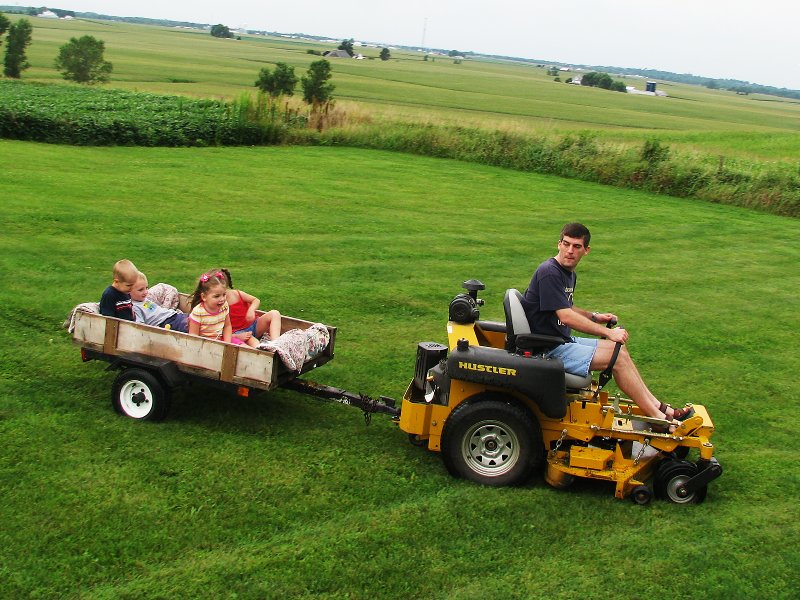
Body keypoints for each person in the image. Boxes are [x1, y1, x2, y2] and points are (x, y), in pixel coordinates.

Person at [521, 222, 693, 430]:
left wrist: (595, 317)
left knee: (619, 351)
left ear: (586, 250)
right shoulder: (550, 272)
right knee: (617, 358)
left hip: (559, 341)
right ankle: (658, 418)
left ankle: (662, 409)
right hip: (546, 349)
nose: (569, 251)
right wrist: (607, 332)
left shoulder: (567, 273)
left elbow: (566, 306)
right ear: (558, 244)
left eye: (576, 246)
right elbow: (565, 316)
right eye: (566, 244)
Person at [188, 269, 256, 347]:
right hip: (205, 344)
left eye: (224, 295)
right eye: (217, 296)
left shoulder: (224, 306)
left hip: (222, 339)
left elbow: (227, 326)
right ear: (204, 297)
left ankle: (263, 354)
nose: (222, 299)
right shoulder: (198, 312)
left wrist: (227, 343)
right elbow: (193, 336)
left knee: (244, 349)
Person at [219, 268, 282, 343]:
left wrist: (251, 310)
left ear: (226, 285)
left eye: (223, 292)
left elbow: (255, 300)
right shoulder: (216, 304)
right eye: (216, 295)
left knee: (274, 313)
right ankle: (263, 351)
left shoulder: (237, 294)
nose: (221, 297)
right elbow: (220, 331)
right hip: (239, 333)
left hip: (254, 325)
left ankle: (276, 343)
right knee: (253, 341)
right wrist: (235, 336)